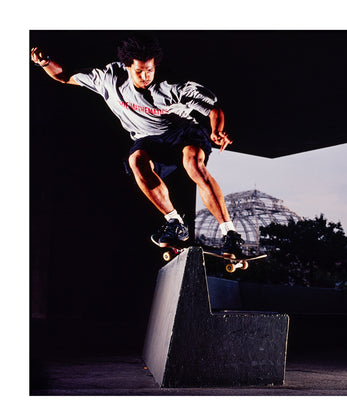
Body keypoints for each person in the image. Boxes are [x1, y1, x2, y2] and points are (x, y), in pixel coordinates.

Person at [30, 35, 244, 257]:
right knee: (136, 160)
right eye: (139, 71)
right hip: (149, 138)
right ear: (127, 66)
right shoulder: (108, 79)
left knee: (193, 164)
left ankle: (229, 234)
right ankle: (175, 223)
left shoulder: (172, 87)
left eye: (149, 70)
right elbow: (65, 77)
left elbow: (214, 109)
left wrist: (217, 130)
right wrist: (45, 62)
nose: (145, 77)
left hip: (184, 132)